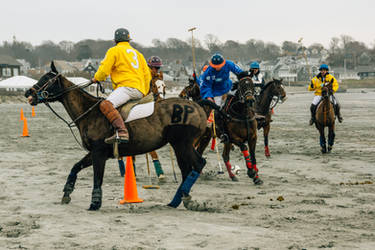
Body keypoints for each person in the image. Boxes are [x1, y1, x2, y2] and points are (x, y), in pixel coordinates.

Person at [92, 28, 151, 144]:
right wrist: (143, 91)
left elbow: (104, 71)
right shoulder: (138, 54)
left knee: (105, 105)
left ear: (115, 40)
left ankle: (122, 131)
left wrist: (96, 78)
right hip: (140, 90)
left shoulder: (114, 51)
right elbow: (147, 75)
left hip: (127, 88)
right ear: (129, 40)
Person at [146, 55, 165, 179]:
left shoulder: (158, 77)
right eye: (154, 68)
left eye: (158, 68)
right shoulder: (145, 74)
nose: (156, 70)